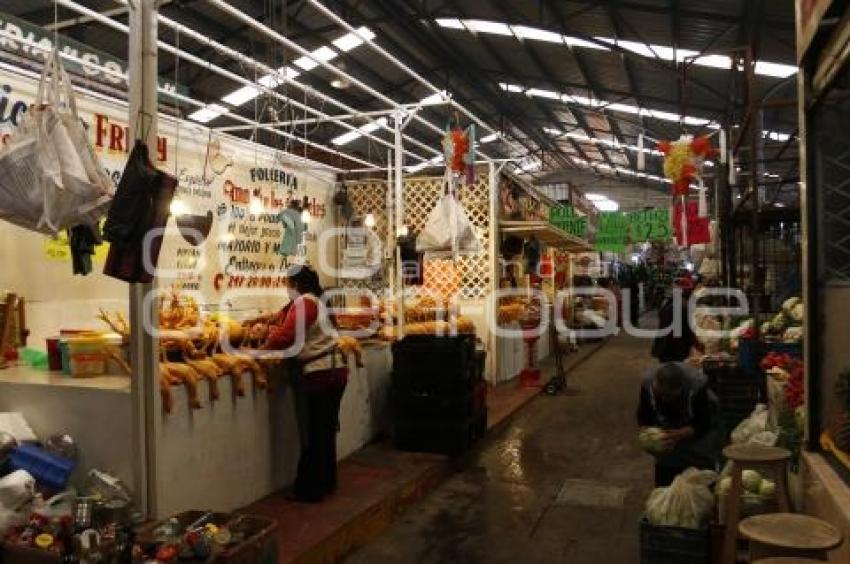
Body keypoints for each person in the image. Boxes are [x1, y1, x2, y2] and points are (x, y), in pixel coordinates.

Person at [262, 265, 348, 502]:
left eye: (286, 284)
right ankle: (327, 482)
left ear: (295, 284)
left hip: (320, 375)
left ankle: (310, 489)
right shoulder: (316, 301)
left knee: (313, 433)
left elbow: (285, 336)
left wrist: (260, 349)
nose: (285, 289)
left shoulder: (305, 304)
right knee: (325, 431)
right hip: (334, 371)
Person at [637, 362, 721, 486]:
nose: (665, 399)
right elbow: (644, 416)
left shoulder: (697, 386)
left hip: (697, 443)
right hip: (668, 441)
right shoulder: (648, 385)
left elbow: (704, 422)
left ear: (681, 388)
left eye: (669, 396)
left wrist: (683, 433)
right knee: (667, 484)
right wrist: (648, 438)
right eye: (661, 395)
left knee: (698, 484)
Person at [651, 276, 700, 362]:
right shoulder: (679, 309)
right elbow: (687, 331)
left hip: (664, 349)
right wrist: (698, 345)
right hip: (673, 350)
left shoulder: (668, 304)